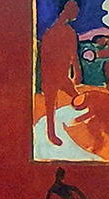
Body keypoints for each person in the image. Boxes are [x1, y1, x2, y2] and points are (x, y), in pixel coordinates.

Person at [40, 1, 82, 146]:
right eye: (75, 10)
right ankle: (51, 134)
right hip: (52, 75)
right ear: (68, 10)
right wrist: (77, 72)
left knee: (78, 100)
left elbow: (73, 56)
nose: (77, 13)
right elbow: (46, 56)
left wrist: (76, 72)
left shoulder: (64, 31)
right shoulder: (56, 32)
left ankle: (77, 126)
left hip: (62, 76)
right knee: (50, 106)